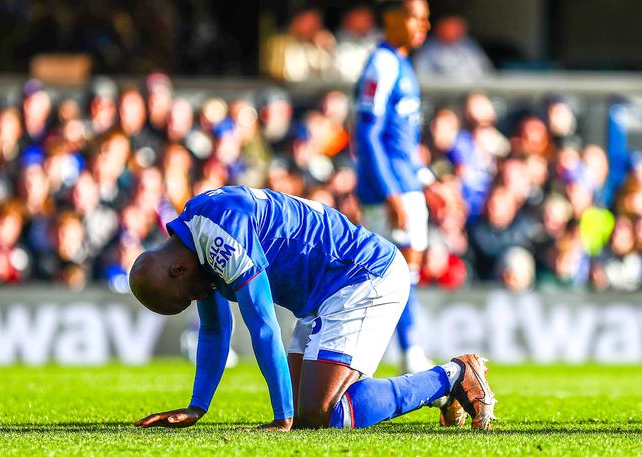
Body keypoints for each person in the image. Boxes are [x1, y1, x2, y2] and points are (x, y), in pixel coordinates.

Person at [129, 186, 496, 431]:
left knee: (322, 413)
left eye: (187, 296)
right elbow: (215, 329)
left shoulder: (220, 232)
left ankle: (451, 376)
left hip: (361, 276)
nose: (199, 297)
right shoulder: (195, 237)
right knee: (310, 414)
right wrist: (197, 407)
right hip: (324, 295)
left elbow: (263, 324)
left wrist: (281, 417)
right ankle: (446, 390)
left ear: (178, 270)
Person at [353, 0, 438, 373]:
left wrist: (427, 179)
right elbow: (367, 134)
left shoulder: (402, 64)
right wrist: (390, 191)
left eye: (425, 17)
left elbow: (402, 139)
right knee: (390, 270)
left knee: (405, 267)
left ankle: (406, 351)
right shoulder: (382, 64)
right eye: (414, 16)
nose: (424, 24)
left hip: (405, 182)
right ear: (390, 18)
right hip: (390, 188)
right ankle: (402, 353)